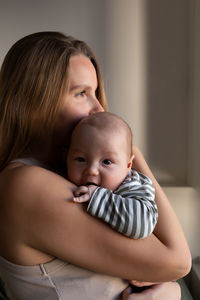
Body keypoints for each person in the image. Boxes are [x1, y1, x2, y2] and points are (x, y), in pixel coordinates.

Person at [0, 31, 191, 300]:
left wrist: (168, 289)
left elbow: (169, 268)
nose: (99, 109)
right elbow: (177, 261)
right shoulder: (26, 184)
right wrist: (131, 151)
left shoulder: (69, 176)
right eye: (82, 93)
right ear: (35, 101)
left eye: (96, 93)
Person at [67, 111, 158, 239]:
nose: (91, 170)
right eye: (81, 159)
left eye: (106, 162)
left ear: (128, 165)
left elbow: (142, 226)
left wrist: (97, 197)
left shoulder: (133, 184)